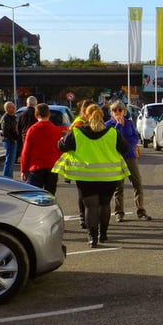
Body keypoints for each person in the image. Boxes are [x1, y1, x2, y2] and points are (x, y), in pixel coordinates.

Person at [53, 103, 130, 247]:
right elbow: (125, 148)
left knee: (90, 207)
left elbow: (62, 146)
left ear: (86, 116)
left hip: (86, 177)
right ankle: (104, 235)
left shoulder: (77, 132)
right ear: (102, 116)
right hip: (109, 176)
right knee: (105, 204)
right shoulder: (112, 132)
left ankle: (92, 238)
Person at [106, 100, 152, 222]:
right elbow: (112, 139)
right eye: (115, 110)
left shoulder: (130, 123)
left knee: (137, 183)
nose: (117, 112)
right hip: (116, 158)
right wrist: (119, 125)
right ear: (111, 112)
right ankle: (119, 212)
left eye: (120, 110)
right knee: (118, 187)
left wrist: (128, 146)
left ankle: (141, 210)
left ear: (124, 111)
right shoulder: (108, 125)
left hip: (130, 156)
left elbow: (135, 137)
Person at [20, 103, 63, 195]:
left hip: (36, 168)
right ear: (49, 114)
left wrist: (24, 170)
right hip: (52, 167)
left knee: (35, 197)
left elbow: (26, 151)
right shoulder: (55, 130)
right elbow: (60, 150)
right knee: (50, 196)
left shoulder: (32, 130)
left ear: (36, 115)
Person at [71, 99, 93, 230]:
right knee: (82, 193)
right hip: (81, 163)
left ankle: (87, 217)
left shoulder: (89, 122)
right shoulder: (79, 123)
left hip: (90, 163)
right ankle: (82, 217)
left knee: (87, 193)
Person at [0, 101, 19, 177]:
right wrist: (13, 138)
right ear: (7, 108)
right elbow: (5, 131)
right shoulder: (6, 118)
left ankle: (9, 177)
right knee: (9, 161)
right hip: (10, 141)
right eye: (12, 107)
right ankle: (6, 177)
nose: (14, 108)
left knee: (11, 161)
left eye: (14, 106)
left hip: (12, 140)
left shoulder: (13, 117)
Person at [17, 95, 39, 159]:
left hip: (25, 138)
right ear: (36, 104)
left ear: (27, 103)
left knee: (27, 157)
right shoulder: (38, 115)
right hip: (36, 139)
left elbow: (18, 129)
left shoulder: (22, 114)